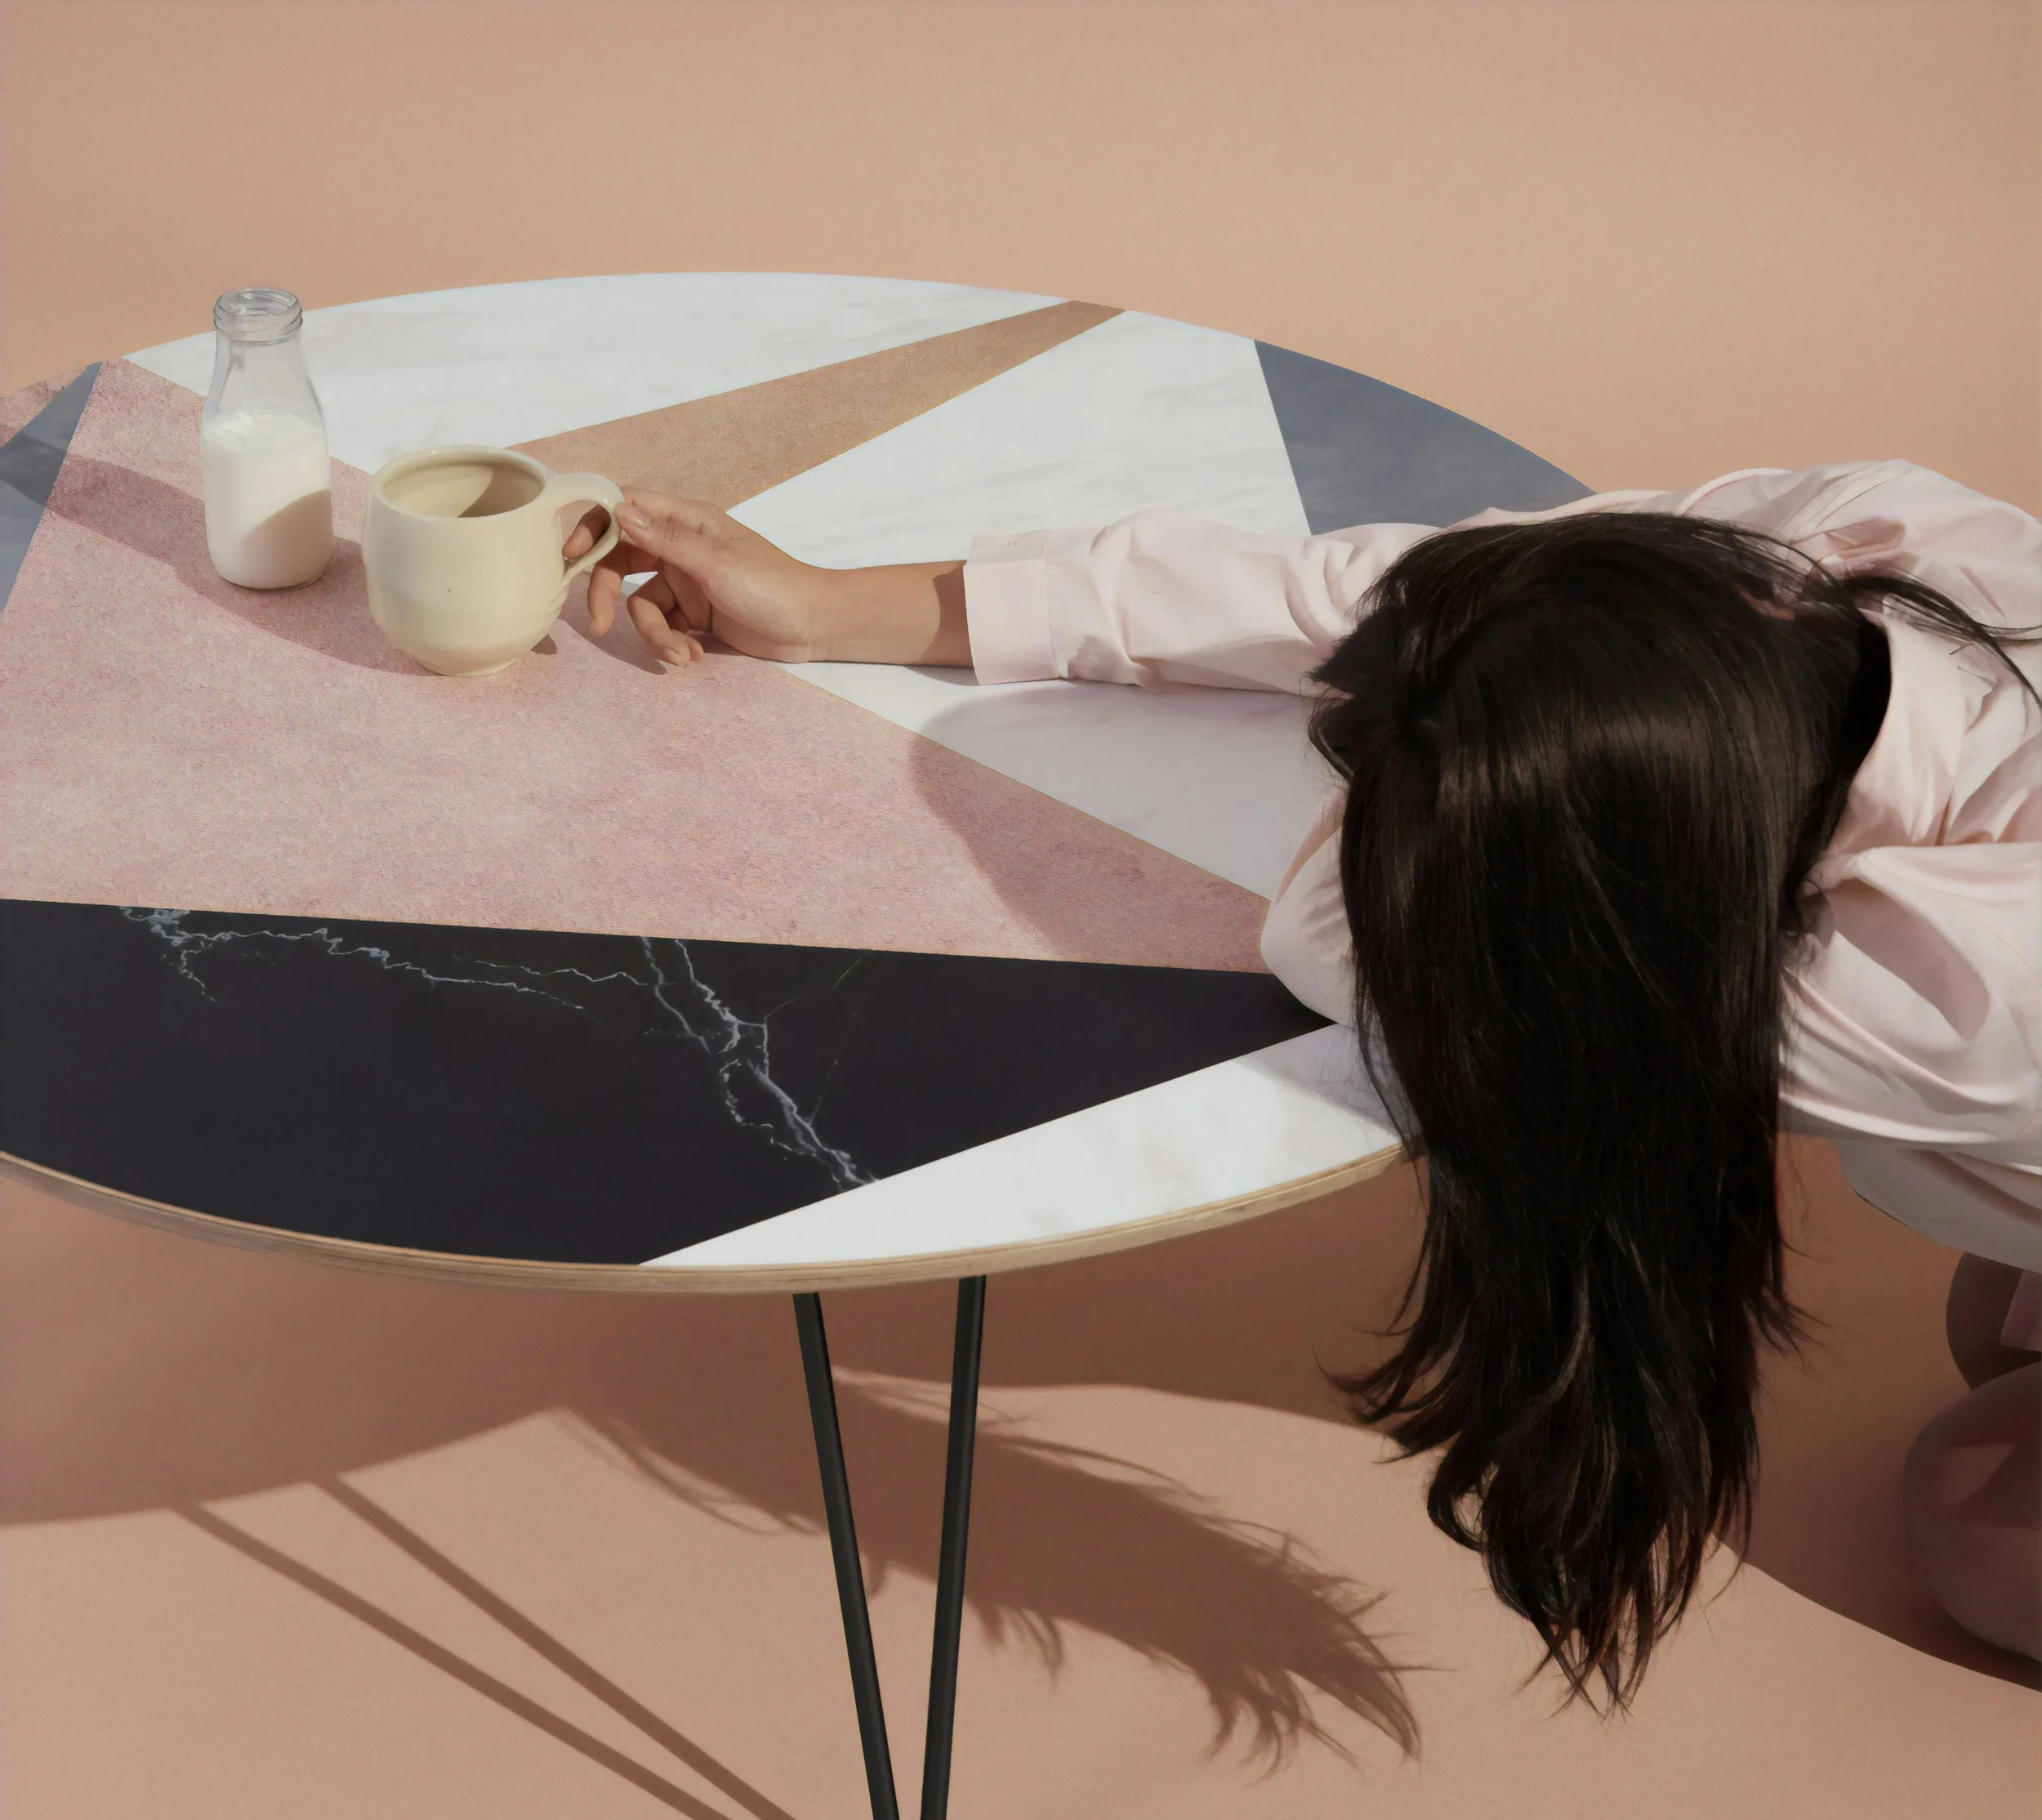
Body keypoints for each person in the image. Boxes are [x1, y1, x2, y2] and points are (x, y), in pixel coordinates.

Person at [564, 459, 2040, 1697]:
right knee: (1987, 1330)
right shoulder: (1858, 540)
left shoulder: (1956, 986)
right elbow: (1379, 597)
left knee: (1965, 1526)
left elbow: (1332, 935)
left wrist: (1459, 834)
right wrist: (837, 606)